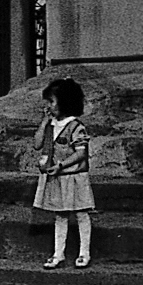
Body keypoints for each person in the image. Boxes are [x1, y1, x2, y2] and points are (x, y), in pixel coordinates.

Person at [34, 76, 95, 269]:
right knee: (59, 215)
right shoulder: (51, 125)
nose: (49, 106)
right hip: (57, 178)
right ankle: (58, 253)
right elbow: (37, 144)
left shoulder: (76, 126)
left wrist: (61, 165)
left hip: (74, 177)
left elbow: (81, 154)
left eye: (52, 102)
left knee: (81, 214)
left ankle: (84, 252)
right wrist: (43, 124)